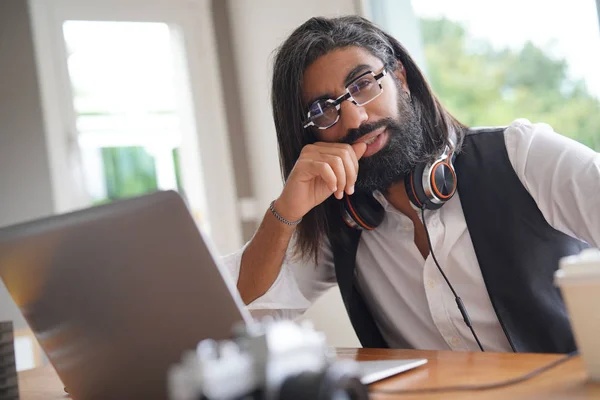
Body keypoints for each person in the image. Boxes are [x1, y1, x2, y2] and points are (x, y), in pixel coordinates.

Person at [222, 16, 600, 353]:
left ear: (399, 77)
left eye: (364, 84)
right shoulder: (339, 220)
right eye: (324, 109)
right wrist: (285, 211)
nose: (355, 118)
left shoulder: (523, 155)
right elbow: (239, 314)